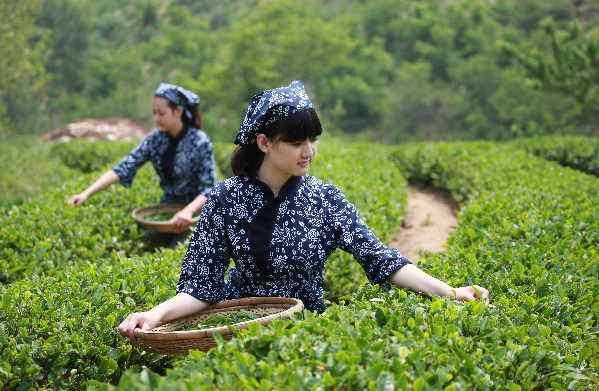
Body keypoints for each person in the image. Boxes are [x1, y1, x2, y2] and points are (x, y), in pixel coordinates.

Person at [118, 81, 489, 339]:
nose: (307, 151)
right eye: (295, 142)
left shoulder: (325, 199)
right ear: (263, 143)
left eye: (311, 140)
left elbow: (383, 261)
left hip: (307, 328)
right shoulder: (224, 200)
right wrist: (156, 315)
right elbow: (201, 287)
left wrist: (449, 292)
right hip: (238, 329)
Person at [68, 83, 216, 234]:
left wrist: (188, 212)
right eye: (154, 113)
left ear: (177, 111)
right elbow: (124, 166)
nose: (156, 118)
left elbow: (209, 189)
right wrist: (86, 193)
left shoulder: (199, 141)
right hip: (168, 210)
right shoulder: (155, 140)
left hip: (197, 214)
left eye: (161, 113)